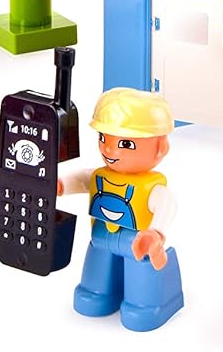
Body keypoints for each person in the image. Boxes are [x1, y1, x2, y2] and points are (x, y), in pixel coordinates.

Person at [58, 89, 184, 332]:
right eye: (103, 138)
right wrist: (61, 185)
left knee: (141, 270)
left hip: (137, 243)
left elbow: (168, 205)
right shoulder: (100, 176)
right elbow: (82, 180)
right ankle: (97, 291)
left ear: (159, 148)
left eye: (125, 144)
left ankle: (144, 304)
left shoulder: (152, 187)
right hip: (102, 238)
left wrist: (156, 232)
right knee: (97, 267)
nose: (109, 150)